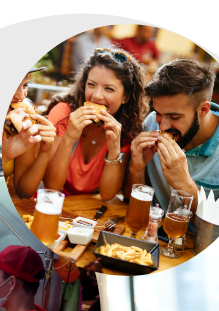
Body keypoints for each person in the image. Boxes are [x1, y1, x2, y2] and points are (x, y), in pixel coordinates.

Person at [129, 59, 219, 215]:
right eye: (159, 113)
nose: (162, 126)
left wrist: (184, 184)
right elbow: (130, 201)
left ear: (203, 109)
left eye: (174, 117)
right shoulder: (152, 121)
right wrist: (137, 169)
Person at [41, 48, 149, 201]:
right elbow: (51, 187)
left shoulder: (126, 129)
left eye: (109, 88)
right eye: (91, 85)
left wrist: (113, 151)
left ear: (126, 96)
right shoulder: (63, 115)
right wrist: (69, 138)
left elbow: (107, 195)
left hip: (87, 210)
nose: (96, 96)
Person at [5, 69, 58, 201]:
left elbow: (24, 191)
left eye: (25, 86)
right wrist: (5, 155)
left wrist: (44, 151)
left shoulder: (21, 122)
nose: (21, 96)